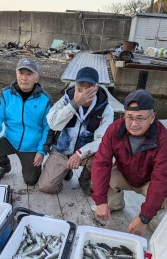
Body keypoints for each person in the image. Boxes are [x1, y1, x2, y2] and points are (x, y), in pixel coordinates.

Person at [91, 89, 167, 235]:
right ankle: (115, 202)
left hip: (149, 181)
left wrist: (144, 217)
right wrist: (100, 201)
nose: (134, 123)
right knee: (103, 176)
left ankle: (152, 215)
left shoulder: (164, 139)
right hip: (124, 175)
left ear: (152, 117)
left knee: (165, 195)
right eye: (129, 117)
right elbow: (101, 163)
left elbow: (161, 179)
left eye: (140, 118)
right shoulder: (114, 130)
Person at [38, 67, 114, 195]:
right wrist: (75, 104)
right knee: (46, 187)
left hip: (86, 153)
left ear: (96, 88)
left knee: (106, 155)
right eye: (80, 88)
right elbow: (53, 123)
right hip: (62, 150)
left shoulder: (106, 109)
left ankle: (85, 178)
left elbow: (102, 139)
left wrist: (80, 153)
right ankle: (65, 170)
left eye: (89, 87)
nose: (84, 92)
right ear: (76, 85)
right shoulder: (65, 99)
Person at [0, 57, 53, 185]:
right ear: (16, 74)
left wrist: (42, 151)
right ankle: (5, 166)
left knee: (30, 181)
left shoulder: (46, 100)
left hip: (31, 145)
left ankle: (47, 169)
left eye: (29, 74)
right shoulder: (5, 94)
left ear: (36, 78)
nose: (24, 78)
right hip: (11, 139)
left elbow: (48, 129)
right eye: (21, 73)